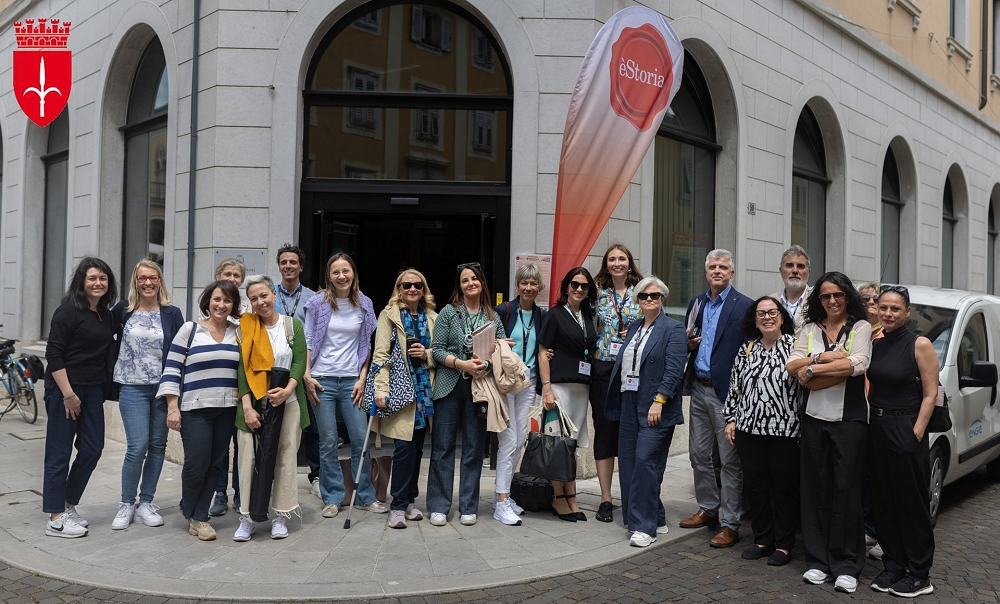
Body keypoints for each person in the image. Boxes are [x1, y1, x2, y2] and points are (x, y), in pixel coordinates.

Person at [787, 272, 873, 594]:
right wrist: (822, 358)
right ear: (818, 300)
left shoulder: (860, 327)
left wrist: (811, 371)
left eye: (837, 294)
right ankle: (818, 561)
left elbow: (857, 365)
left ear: (847, 296)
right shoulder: (809, 329)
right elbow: (791, 367)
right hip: (813, 419)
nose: (832, 301)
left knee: (846, 491)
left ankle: (847, 565)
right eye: (826, 296)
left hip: (850, 421)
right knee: (816, 489)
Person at [302, 253, 387, 519]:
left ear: (353, 273)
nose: (341, 276)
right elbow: (307, 340)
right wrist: (307, 375)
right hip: (322, 380)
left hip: (352, 380)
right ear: (329, 276)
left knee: (361, 439)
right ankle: (332, 497)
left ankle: (365, 496)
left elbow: (366, 345)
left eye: (345, 271)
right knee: (328, 441)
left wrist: (363, 378)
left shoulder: (364, 303)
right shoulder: (317, 303)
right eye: (336, 272)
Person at [865, 286, 938, 597]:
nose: (888, 313)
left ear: (907, 312)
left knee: (911, 503)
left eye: (895, 309)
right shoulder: (876, 344)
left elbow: (931, 393)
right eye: (883, 307)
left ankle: (919, 574)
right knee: (883, 501)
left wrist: (917, 430)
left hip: (905, 426)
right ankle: (893, 566)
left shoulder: (919, 344)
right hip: (878, 426)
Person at [604, 276, 686, 547]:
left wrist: (660, 400)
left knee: (645, 462)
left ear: (663, 298)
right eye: (643, 296)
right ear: (637, 300)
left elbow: (674, 369)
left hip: (656, 403)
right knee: (628, 463)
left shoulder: (674, 329)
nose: (649, 299)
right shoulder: (634, 327)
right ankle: (656, 516)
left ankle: (644, 527)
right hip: (629, 400)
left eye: (655, 295)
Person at [680, 249, 752, 548]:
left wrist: (741, 395)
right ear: (706, 271)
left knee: (729, 460)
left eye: (723, 267)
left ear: (731, 273)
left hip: (727, 394)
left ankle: (730, 523)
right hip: (699, 388)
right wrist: (688, 343)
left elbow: (749, 353)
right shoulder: (697, 303)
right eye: (712, 267)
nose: (717, 271)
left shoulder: (744, 305)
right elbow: (690, 337)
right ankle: (708, 509)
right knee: (698, 454)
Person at [43, 257, 119, 538]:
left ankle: (67, 504)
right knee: (59, 453)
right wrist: (68, 394)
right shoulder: (67, 312)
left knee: (92, 449)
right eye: (92, 278)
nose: (98, 283)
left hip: (93, 390)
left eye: (103, 278)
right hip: (65, 391)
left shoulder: (105, 314)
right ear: (81, 282)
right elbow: (53, 354)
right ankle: (55, 518)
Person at [160, 281, 242, 541]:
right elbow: (172, 369)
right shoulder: (190, 329)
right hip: (195, 408)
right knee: (196, 464)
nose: (221, 305)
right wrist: (172, 408)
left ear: (233, 305)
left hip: (227, 408)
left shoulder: (238, 332)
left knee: (216, 464)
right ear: (208, 301)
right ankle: (190, 505)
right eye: (217, 299)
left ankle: (199, 516)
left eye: (227, 300)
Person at [723, 296, 800, 566]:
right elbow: (735, 387)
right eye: (761, 314)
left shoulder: (796, 348)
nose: (767, 318)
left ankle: (784, 545)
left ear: (781, 317)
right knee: (756, 487)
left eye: (772, 312)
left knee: (783, 489)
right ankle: (763, 540)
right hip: (749, 430)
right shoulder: (747, 349)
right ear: (755, 321)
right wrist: (730, 419)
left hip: (785, 431)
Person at [427, 262, 506, 527]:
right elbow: (437, 350)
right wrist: (462, 364)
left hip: (479, 387)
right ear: (459, 286)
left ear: (482, 283)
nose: (470, 283)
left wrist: (486, 364)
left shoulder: (492, 316)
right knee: (443, 447)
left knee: (474, 447)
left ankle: (469, 506)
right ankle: (439, 505)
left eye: (474, 279)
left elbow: (502, 349)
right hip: (449, 385)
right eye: (465, 280)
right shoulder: (449, 313)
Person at [109, 260, 184, 530]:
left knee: (157, 446)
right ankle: (126, 503)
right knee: (137, 446)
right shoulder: (123, 310)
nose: (148, 283)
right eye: (142, 278)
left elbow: (179, 353)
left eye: (153, 278)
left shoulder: (172, 313)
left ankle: (146, 503)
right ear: (136, 281)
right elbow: (103, 339)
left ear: (160, 281)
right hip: (132, 387)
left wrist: (175, 391)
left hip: (162, 389)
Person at [233, 275, 309, 541]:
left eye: (264, 295)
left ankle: (280, 515)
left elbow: (299, 361)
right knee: (248, 459)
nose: (260, 302)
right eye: (254, 298)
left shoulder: (291, 325)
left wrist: (288, 389)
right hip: (254, 403)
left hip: (288, 402)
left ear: (274, 295)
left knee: (285, 457)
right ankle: (247, 517)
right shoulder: (245, 328)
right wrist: (247, 408)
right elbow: (242, 371)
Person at [372, 269, 438, 529]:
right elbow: (380, 355)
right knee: (403, 449)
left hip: (425, 390)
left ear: (423, 289)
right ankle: (398, 506)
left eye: (417, 285)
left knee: (417, 449)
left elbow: (439, 352)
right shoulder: (388, 315)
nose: (412, 289)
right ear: (399, 289)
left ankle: (410, 501)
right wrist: (381, 389)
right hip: (402, 390)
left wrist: (426, 354)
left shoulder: (433, 317)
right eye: (406, 285)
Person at [537, 267, 599, 522]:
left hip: (581, 389)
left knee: (571, 444)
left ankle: (571, 496)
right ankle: (558, 497)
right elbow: (543, 353)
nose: (579, 289)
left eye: (584, 286)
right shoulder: (555, 315)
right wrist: (547, 389)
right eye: (575, 284)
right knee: (557, 443)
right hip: (559, 388)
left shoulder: (588, 315)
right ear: (566, 287)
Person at [590, 245, 643, 523]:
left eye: (622, 258)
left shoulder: (642, 292)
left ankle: (631, 496)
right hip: (603, 366)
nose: (617, 263)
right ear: (606, 264)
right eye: (612, 259)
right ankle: (606, 499)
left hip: (633, 368)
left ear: (629, 263)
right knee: (604, 431)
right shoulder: (596, 293)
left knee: (630, 431)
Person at [492, 263, 546, 525]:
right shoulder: (503, 311)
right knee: (509, 441)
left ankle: (504, 495)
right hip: (505, 384)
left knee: (520, 439)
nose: (528, 287)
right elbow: (485, 342)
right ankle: (501, 503)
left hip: (528, 383)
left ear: (539, 287)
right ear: (517, 285)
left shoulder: (541, 315)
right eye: (524, 282)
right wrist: (497, 343)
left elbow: (542, 347)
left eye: (533, 283)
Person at [274, 244, 321, 498]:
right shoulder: (269, 295)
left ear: (301, 267)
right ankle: (272, 476)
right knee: (274, 424)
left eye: (293, 262)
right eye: (284, 262)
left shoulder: (313, 298)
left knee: (311, 426)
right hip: (276, 369)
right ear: (279, 266)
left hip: (305, 370)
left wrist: (309, 369)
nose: (288, 266)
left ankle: (317, 476)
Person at [208, 258, 250, 516]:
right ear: (218, 276)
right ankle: (220, 493)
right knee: (221, 445)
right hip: (218, 386)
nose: (232, 278)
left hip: (243, 387)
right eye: (228, 274)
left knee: (242, 443)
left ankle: (241, 492)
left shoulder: (249, 308)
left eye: (236, 275)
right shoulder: (210, 306)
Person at [857, 280, 884, 562]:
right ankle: (867, 527)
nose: (872, 303)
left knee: (878, 477)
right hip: (856, 414)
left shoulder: (886, 336)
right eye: (866, 299)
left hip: (880, 413)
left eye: (876, 299)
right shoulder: (855, 333)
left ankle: (877, 530)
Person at [769, 245, 812, 333]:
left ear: (808, 272)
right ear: (781, 271)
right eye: (789, 265)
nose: (795, 271)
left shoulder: (819, 300)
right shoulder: (770, 302)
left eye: (800, 266)